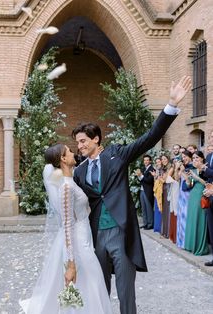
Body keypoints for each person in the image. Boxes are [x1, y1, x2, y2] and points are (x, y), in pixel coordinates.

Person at [72, 76, 191, 314]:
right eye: (77, 143)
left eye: (83, 141)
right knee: (99, 292)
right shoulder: (80, 171)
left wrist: (171, 106)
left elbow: (149, 138)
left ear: (96, 139)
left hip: (121, 232)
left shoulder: (117, 155)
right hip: (96, 235)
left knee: (126, 293)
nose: (80, 146)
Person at [20, 144, 113, 314]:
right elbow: (68, 224)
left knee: (90, 282)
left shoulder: (70, 182)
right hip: (78, 241)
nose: (73, 152)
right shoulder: (66, 187)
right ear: (63, 159)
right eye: (69, 151)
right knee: (91, 281)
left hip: (84, 235)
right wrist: (71, 263)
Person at [184, 151, 209, 256]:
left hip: (202, 196)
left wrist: (197, 177)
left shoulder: (206, 169)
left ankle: (200, 247)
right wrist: (187, 179)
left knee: (200, 220)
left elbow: (207, 184)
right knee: (192, 220)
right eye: (193, 158)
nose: (194, 160)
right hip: (193, 196)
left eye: (197, 157)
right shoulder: (192, 170)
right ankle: (191, 245)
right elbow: (189, 185)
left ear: (202, 158)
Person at [202, 130, 213, 266]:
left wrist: (204, 169)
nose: (211, 139)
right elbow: (208, 176)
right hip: (209, 196)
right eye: (210, 137)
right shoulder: (209, 155)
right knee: (211, 227)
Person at [136, 154, 155, 230]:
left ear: (150, 161)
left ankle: (150, 224)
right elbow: (141, 180)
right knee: (143, 208)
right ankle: (145, 223)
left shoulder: (152, 169)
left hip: (148, 191)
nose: (146, 161)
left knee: (148, 208)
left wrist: (141, 175)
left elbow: (149, 180)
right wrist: (138, 176)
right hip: (142, 190)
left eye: (147, 160)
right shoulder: (143, 168)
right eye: (145, 160)